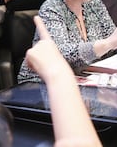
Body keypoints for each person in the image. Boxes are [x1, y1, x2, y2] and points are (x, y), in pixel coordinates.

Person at [24, 16, 102, 147]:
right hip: (42, 88)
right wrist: (58, 74)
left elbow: (113, 35)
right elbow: (60, 54)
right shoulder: (51, 9)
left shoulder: (95, 4)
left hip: (78, 84)